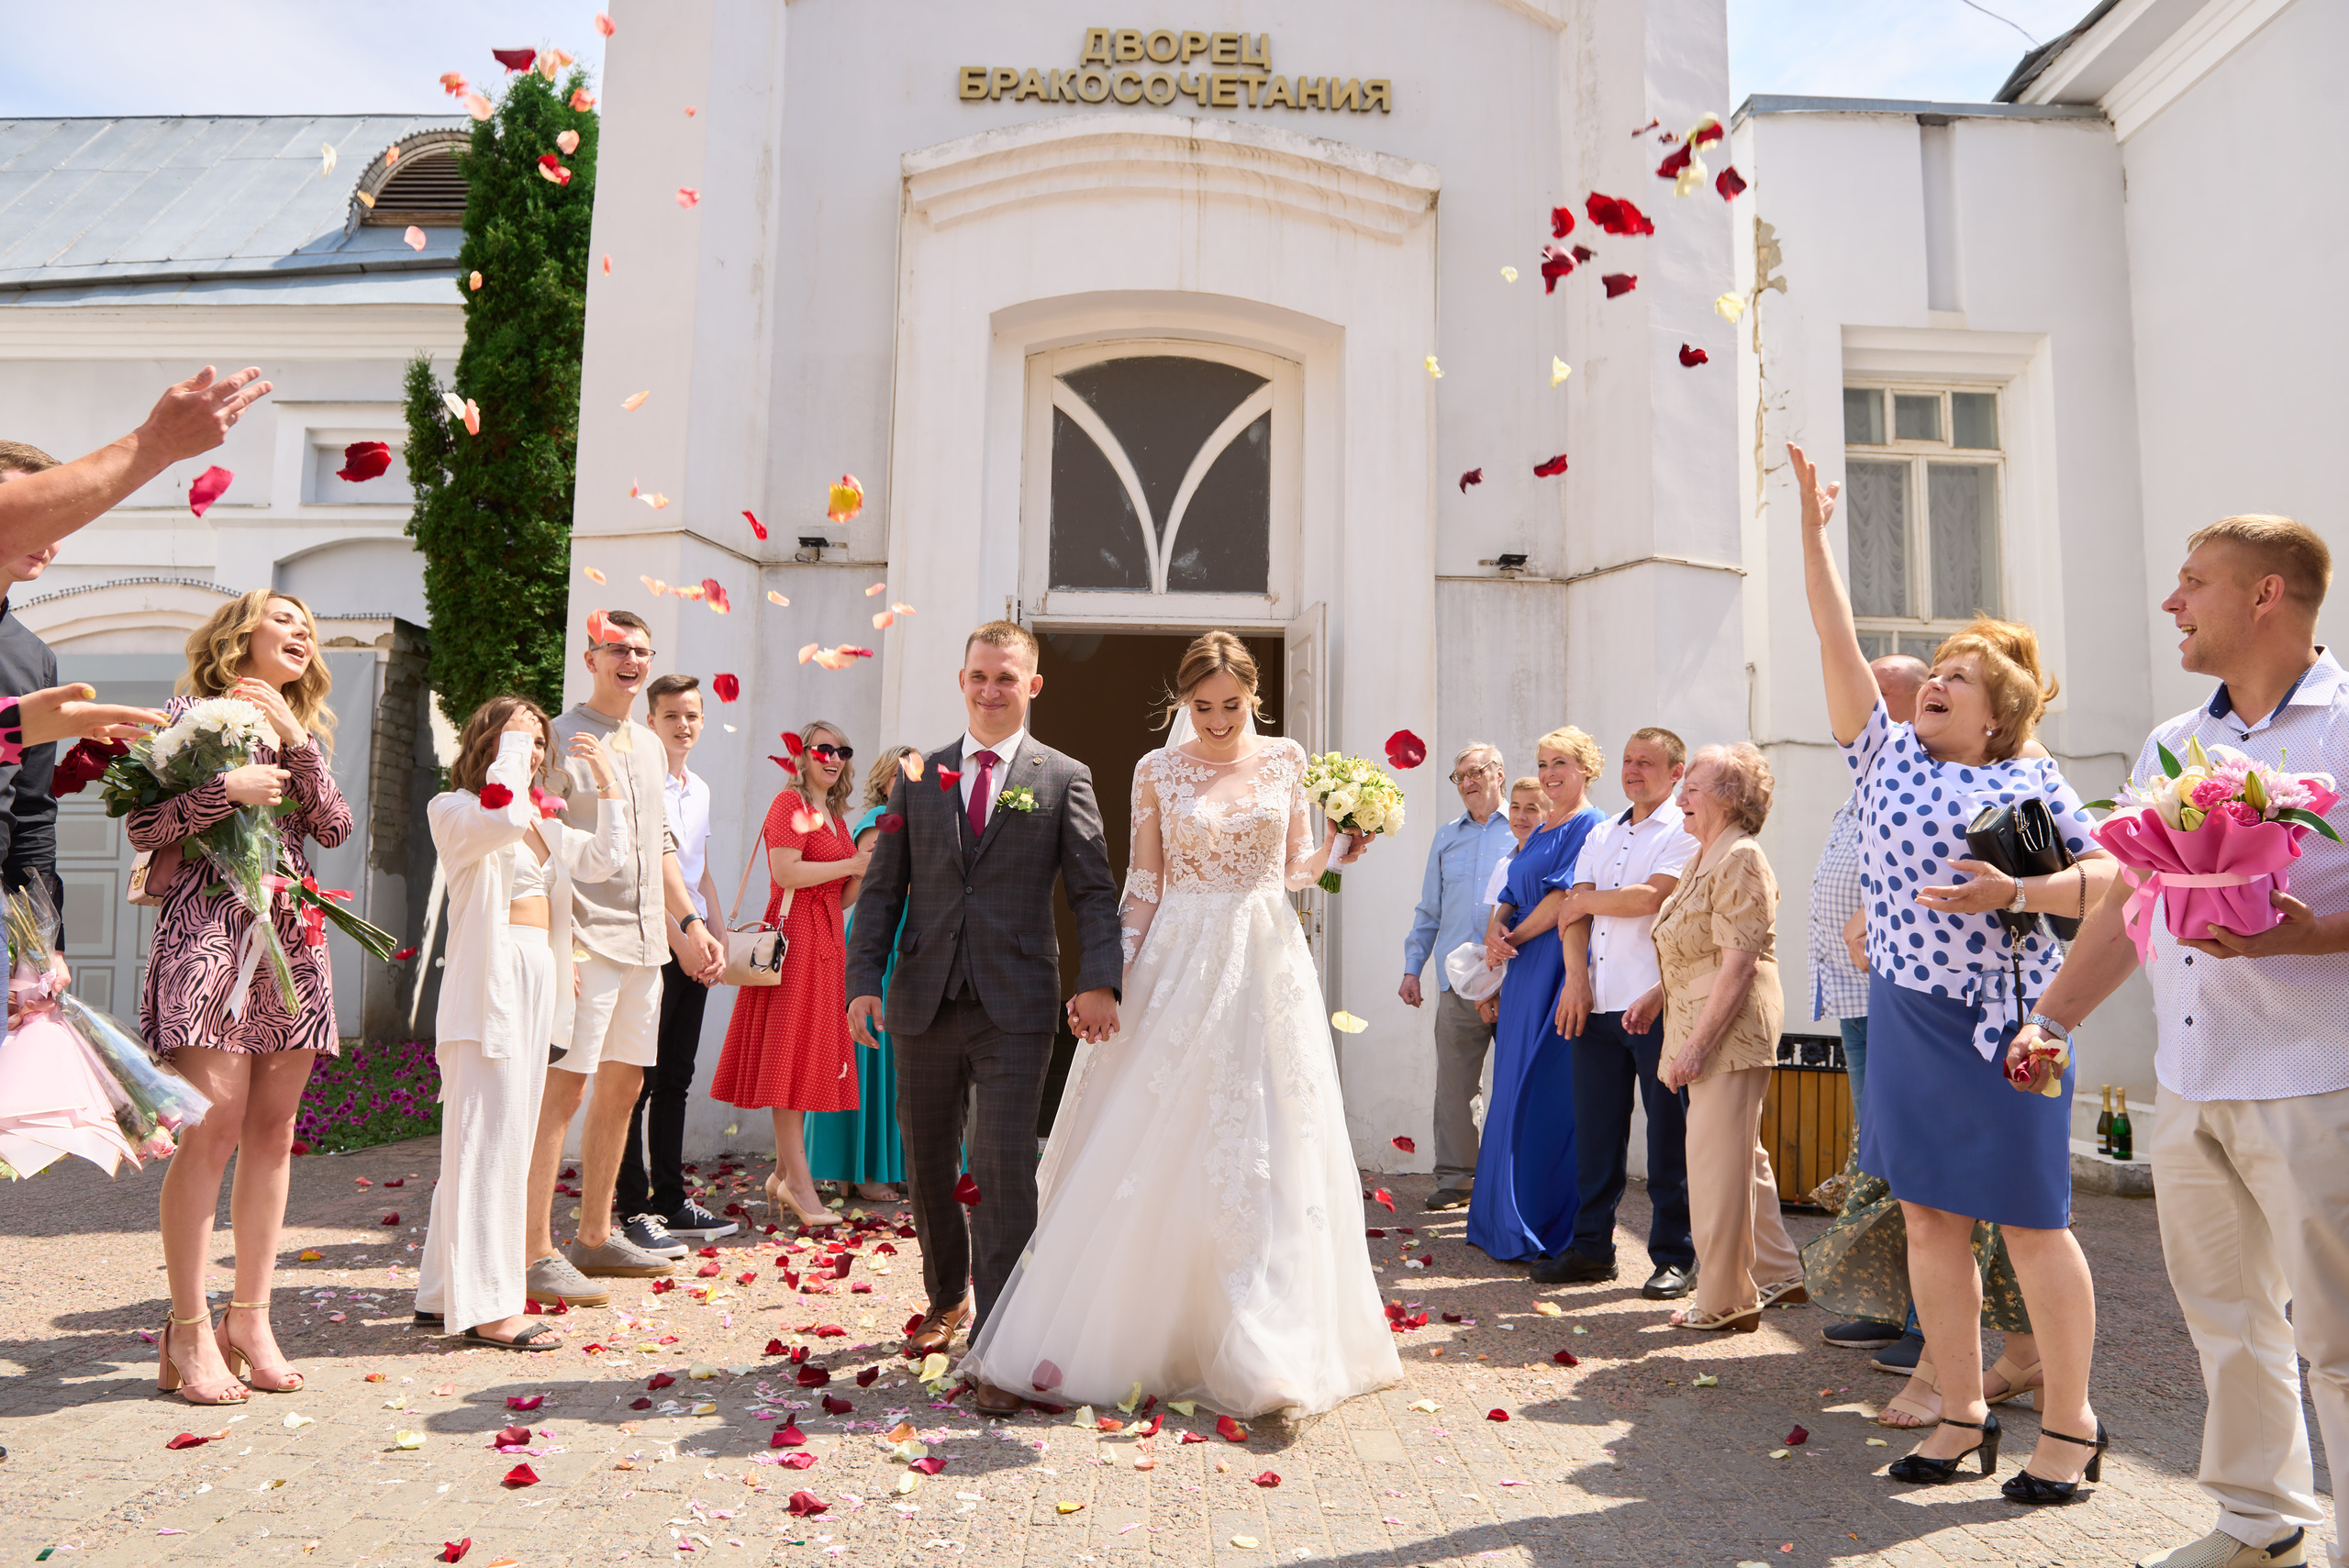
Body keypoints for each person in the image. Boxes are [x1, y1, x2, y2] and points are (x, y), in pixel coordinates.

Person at [2012, 516, 2349, 1563]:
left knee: (2339, 1341)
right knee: (2230, 1325)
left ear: (2267, 596)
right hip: (2189, 1078)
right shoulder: (2170, 741)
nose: (2171, 602)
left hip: (2317, 1077)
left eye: (2192, 582)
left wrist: (2312, 934)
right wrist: (2052, 1013)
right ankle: (2259, 1523)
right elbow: (2125, 902)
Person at [1789, 440, 2121, 1496]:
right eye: (1933, 671)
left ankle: (2069, 1427)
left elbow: (2109, 889)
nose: (1934, 683)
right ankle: (1962, 1411)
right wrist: (1812, 530)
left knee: (2031, 1223)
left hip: (2004, 1024)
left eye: (1958, 680)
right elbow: (1835, 639)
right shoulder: (1881, 752)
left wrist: (2015, 892)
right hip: (1905, 1016)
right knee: (1930, 1217)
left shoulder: (2030, 778)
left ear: (1998, 716)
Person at [963, 630, 1397, 1418]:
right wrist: (1109, 979)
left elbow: (1298, 870)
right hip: (1181, 961)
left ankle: (1267, 1343)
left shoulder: (1289, 760)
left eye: (1232, 705)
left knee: (1266, 1139)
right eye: (1203, 706)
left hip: (1268, 960)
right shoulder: (1156, 769)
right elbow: (1143, 885)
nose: (1219, 719)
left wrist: (1339, 847)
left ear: (1253, 698)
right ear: (1182, 701)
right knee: (1165, 1131)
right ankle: (1131, 1334)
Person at [846, 621, 1123, 1416]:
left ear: (1032, 685)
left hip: (1016, 1004)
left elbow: (1093, 891)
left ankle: (1001, 1340)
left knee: (1001, 1167)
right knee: (928, 1163)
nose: (991, 690)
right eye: (978, 676)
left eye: (1007, 677)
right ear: (960, 680)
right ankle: (946, 1300)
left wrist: (1099, 978)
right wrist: (864, 979)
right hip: (922, 1001)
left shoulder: (1063, 776)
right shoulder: (917, 776)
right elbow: (883, 891)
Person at [135, 591, 351, 1404]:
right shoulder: (188, 717)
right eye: (285, 619)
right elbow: (145, 827)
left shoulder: (303, 735)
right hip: (211, 934)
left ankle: (250, 1317)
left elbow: (333, 828)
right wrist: (226, 788)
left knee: (273, 1127)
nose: (302, 631)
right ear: (241, 635)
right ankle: (189, 1327)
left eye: (309, 624)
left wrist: (296, 743)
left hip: (289, 936)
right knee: (214, 1123)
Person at [524, 610, 722, 1304]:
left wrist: (689, 920)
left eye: (642, 649)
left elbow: (660, 846)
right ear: (592, 657)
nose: (631, 660)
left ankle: (594, 1233)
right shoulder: (556, 734)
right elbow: (534, 837)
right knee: (566, 1089)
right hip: (582, 939)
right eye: (618, 650)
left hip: (644, 945)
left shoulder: (645, 744)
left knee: (625, 1084)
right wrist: (552, 938)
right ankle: (534, 1250)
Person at [417, 697, 625, 1349]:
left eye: (539, 742)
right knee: (489, 1142)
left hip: (537, 981)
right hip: (491, 984)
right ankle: (490, 1306)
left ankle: (441, 1292)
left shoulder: (541, 820)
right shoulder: (456, 810)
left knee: (492, 1136)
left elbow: (605, 860)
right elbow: (500, 812)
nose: (534, 751)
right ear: (488, 740)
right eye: (519, 738)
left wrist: (610, 788)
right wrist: (512, 742)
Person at [1617, 742, 1798, 1330]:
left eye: (1694, 784)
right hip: (1698, 1016)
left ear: (1731, 798)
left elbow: (1739, 964)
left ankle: (1726, 1299)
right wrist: (1655, 997)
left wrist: (1695, 1046)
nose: (1682, 794)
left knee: (1714, 1162)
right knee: (1740, 1153)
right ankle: (1778, 1272)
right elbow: (1696, 952)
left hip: (1729, 1029)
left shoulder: (1740, 857)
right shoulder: (1703, 856)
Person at [1542, 727, 1699, 1296]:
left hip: (1656, 1003)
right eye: (1629, 761)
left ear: (1676, 771)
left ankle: (1674, 1256)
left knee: (1668, 1138)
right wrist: (1576, 983)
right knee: (1596, 1134)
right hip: (1598, 1000)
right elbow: (1571, 918)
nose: (1634, 771)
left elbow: (1650, 898)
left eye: (1648, 763)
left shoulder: (1686, 829)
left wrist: (1583, 899)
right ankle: (1591, 1250)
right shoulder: (1604, 832)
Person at [1808, 654, 1926, 1351]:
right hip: (1854, 998)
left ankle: (1925, 1321)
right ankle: (1883, 1304)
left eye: (1876, 690)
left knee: (1911, 1161)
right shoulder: (1866, 780)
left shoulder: (1925, 783)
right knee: (1877, 1158)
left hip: (1898, 997)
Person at [711, 720, 870, 1228]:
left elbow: (841, 896)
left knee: (804, 1056)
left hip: (826, 942)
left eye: (842, 750)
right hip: (793, 941)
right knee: (788, 1057)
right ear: (800, 756)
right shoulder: (790, 805)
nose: (833, 757)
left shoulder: (836, 816)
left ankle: (784, 1175)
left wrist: (865, 871)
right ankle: (798, 1184)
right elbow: (785, 874)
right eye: (823, 748)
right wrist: (849, 864)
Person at [1471, 728, 1608, 1263]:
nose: (1550, 773)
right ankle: (1497, 1220)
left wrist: (1512, 938)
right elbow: (1509, 890)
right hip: (1521, 969)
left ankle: (1544, 1223)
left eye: (1562, 764)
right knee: (1508, 1085)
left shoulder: (1589, 825)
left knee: (1546, 1089)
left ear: (1586, 769)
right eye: (1544, 762)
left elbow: (1565, 900)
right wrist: (1494, 930)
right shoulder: (1542, 823)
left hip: (1554, 965)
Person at [615, 673, 732, 1253]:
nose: (682, 725)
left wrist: (716, 931)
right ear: (650, 722)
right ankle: (630, 1208)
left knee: (677, 1078)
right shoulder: (641, 783)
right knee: (636, 1079)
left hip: (694, 940)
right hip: (653, 939)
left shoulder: (702, 788)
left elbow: (698, 869)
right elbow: (647, 877)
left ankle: (669, 1197)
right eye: (670, 716)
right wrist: (683, 938)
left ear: (702, 720)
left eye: (691, 715)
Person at [1398, 742, 1515, 1212]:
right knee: (1454, 1087)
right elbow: (1429, 909)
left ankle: (1509, 1179)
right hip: (1456, 982)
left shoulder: (1527, 826)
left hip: (1513, 978)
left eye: (1476, 772)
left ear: (1499, 773)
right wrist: (1413, 968)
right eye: (1459, 776)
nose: (1467, 782)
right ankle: (1457, 1179)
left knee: (1514, 1081)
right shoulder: (1446, 837)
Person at [0, 366, 270, 562]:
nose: (44, 534)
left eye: (59, 520)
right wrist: (160, 442)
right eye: (30, 504)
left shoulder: (27, 643)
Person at [807, 744, 917, 1204]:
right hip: (879, 941)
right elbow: (874, 876)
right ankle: (860, 1170)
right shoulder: (878, 819)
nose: (912, 780)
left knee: (892, 1062)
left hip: (911, 940)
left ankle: (883, 1167)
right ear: (885, 778)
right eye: (903, 773)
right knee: (864, 1057)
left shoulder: (915, 818)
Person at [0, 447, 66, 951]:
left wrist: (44, 943)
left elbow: (32, 814)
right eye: (30, 511)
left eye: (59, 520)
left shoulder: (34, 659)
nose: (48, 538)